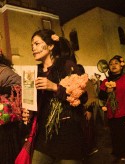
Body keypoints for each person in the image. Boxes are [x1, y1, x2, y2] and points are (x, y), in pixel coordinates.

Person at [23, 29, 88, 164]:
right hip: (44, 134)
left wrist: (54, 87)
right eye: (32, 46)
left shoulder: (67, 65)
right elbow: (38, 103)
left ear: (51, 46)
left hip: (67, 132)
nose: (33, 49)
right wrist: (29, 113)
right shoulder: (35, 72)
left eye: (36, 43)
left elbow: (83, 97)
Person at [99, 55, 125, 163]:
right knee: (115, 135)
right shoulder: (105, 80)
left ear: (121, 65)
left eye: (116, 63)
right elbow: (101, 97)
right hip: (112, 113)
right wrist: (107, 90)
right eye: (111, 64)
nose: (113, 65)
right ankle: (118, 154)